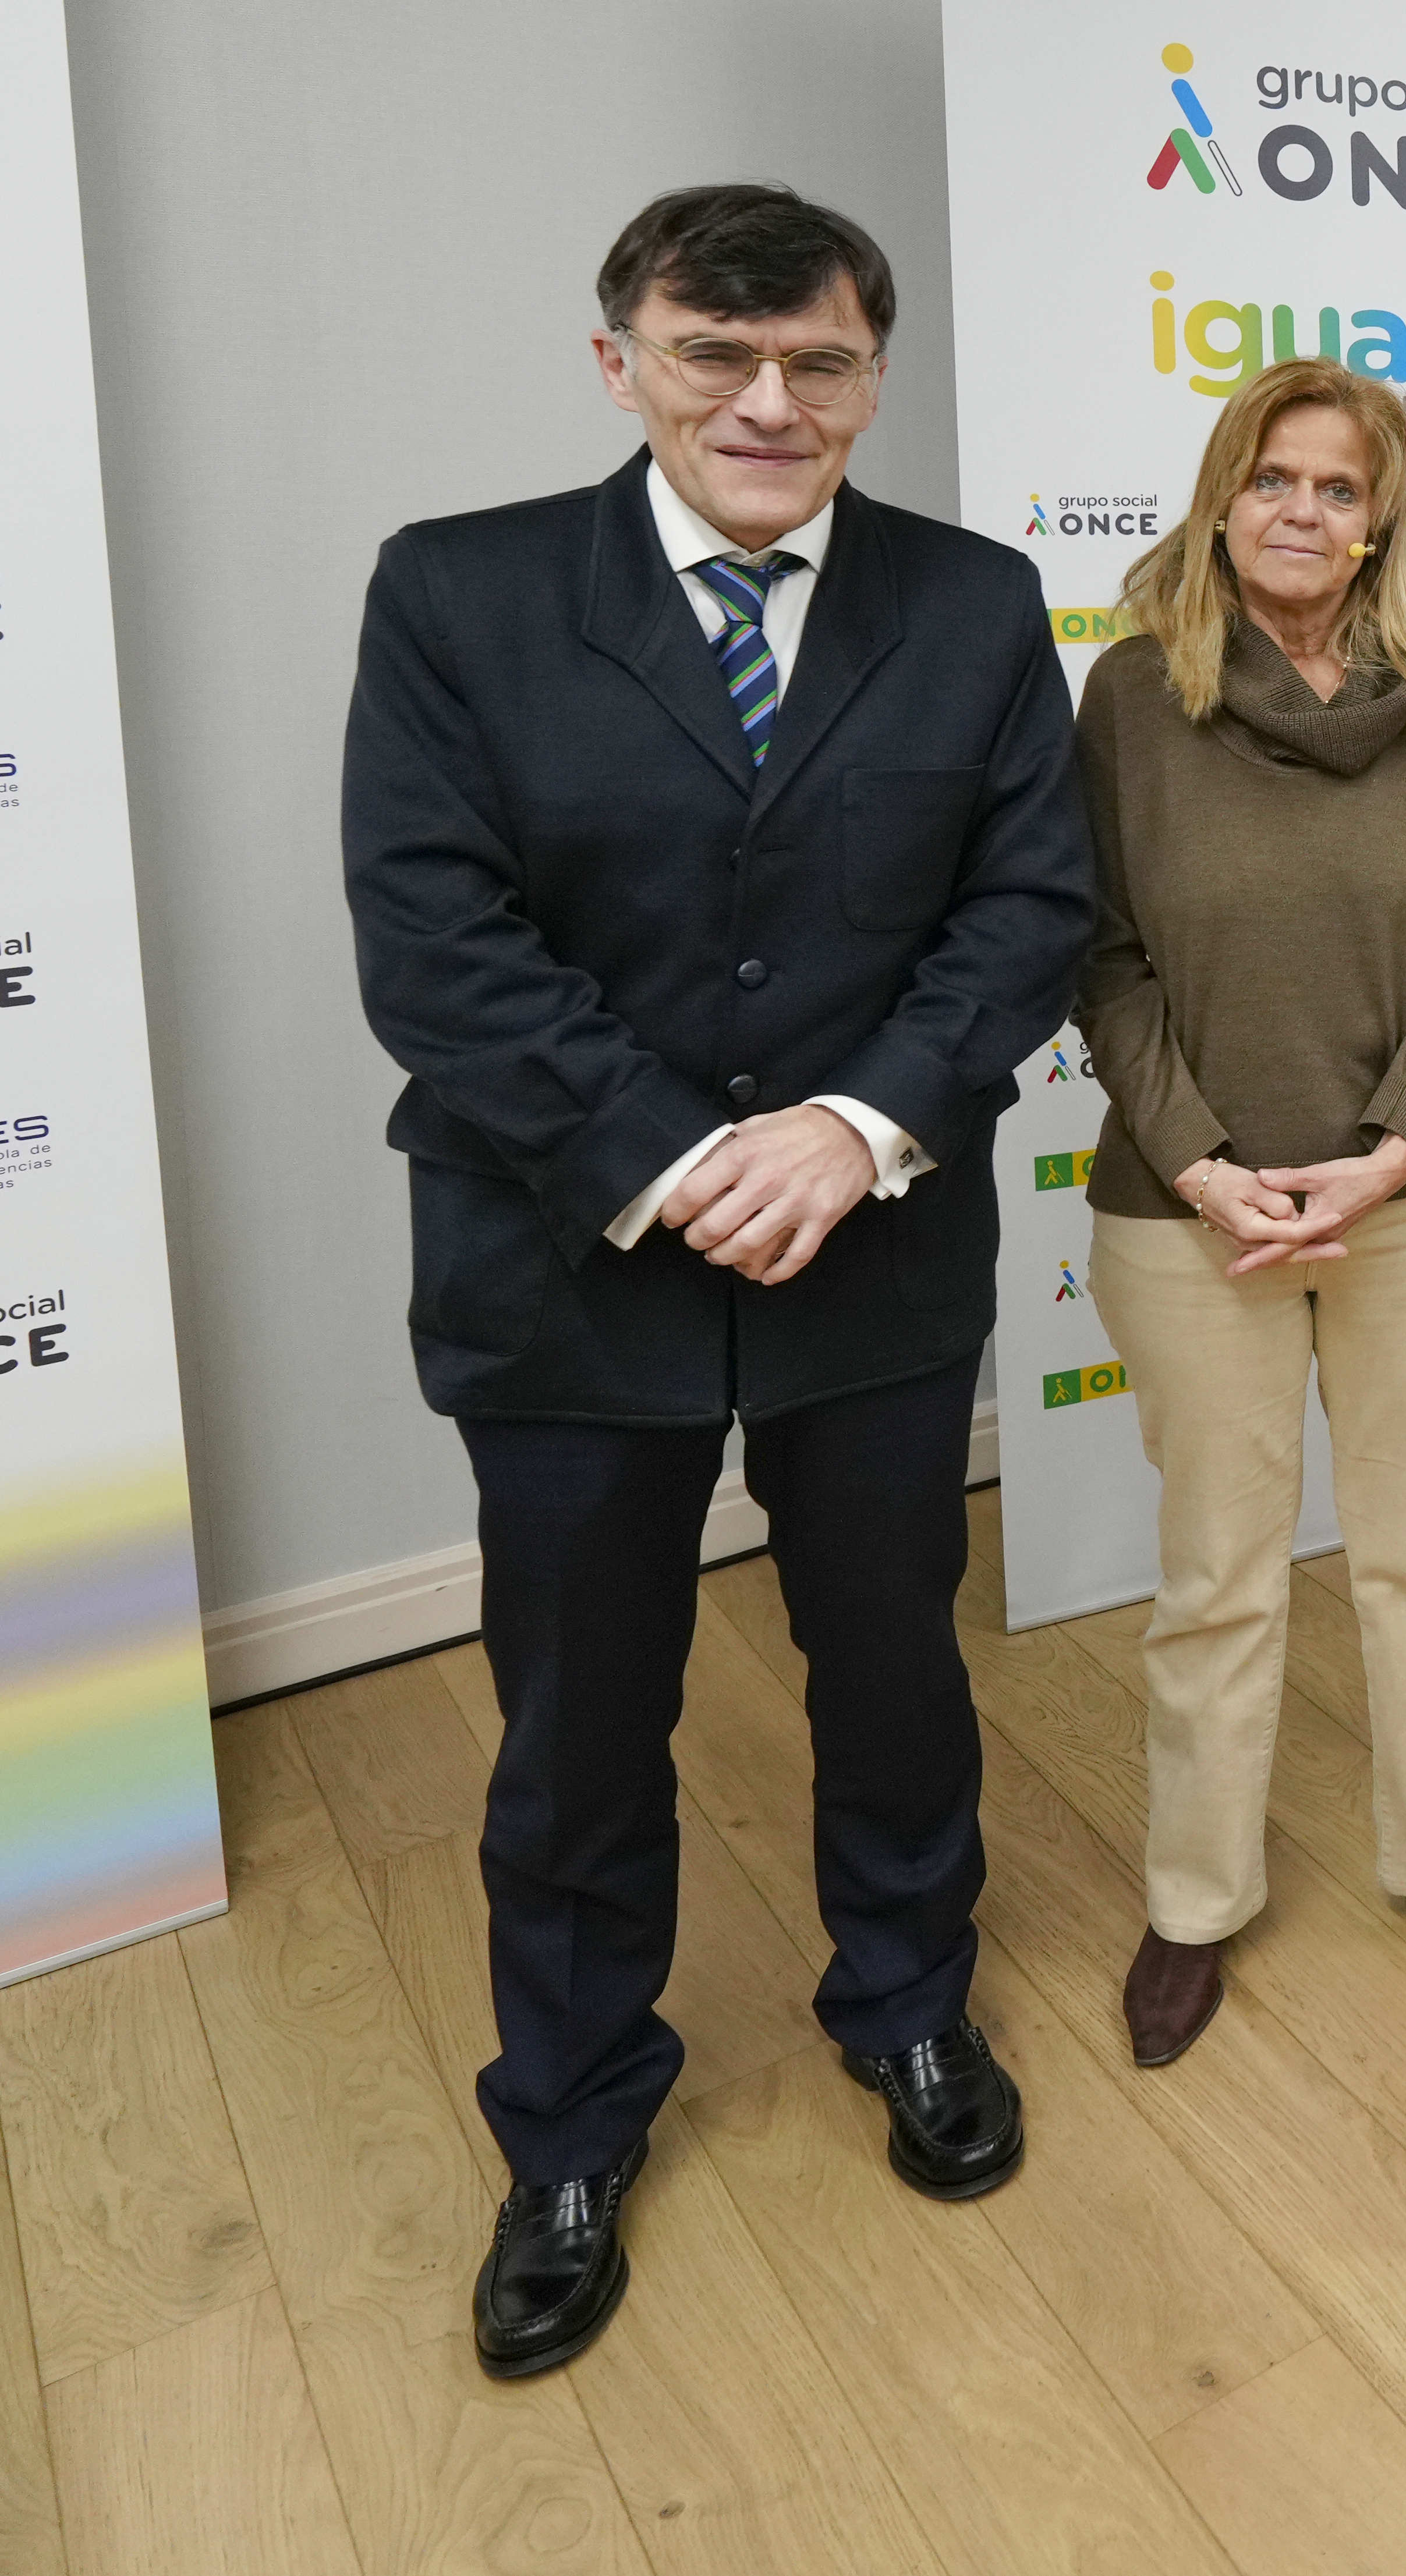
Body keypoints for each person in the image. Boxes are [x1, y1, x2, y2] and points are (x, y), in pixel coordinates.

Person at [341, 185, 1088, 2378]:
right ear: (622, 363)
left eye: (821, 363)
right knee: (580, 1722)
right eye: (713, 354)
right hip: (572, 1259)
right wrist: (676, 1156)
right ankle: (567, 2118)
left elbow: (1025, 906)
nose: (771, 402)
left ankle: (911, 2006)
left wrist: (850, 1127)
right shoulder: (460, 592)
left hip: (873, 1242)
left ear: (873, 372)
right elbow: (433, 935)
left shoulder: (971, 602)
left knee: (893, 1669)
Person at [1072, 357, 1406, 2069]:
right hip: (1184, 1207)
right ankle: (1194, 1899)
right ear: (1224, 495)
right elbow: (1105, 952)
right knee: (1218, 1573)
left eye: (1338, 489)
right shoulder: (1137, 695)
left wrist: (1380, 1146)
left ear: (1381, 521)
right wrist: (1204, 1158)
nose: (1303, 511)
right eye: (1273, 479)